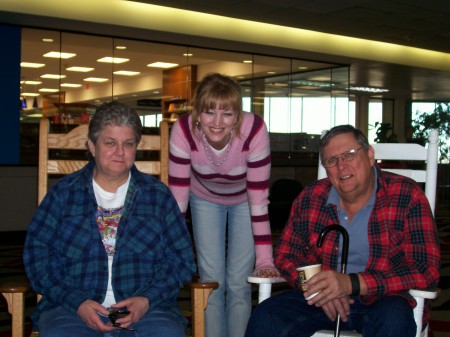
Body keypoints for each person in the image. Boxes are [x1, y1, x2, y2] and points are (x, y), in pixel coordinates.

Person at [245, 124, 440, 337]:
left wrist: (351, 283)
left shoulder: (406, 195)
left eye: (349, 155)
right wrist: (319, 289)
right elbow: (286, 254)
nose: (341, 166)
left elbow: (425, 269)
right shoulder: (311, 197)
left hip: (384, 299)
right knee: (267, 315)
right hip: (321, 300)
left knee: (394, 320)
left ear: (369, 155)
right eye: (331, 160)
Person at [23, 101, 196, 337]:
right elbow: (37, 256)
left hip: (148, 310)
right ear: (92, 147)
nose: (120, 152)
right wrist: (77, 302)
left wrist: (147, 300)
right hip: (71, 309)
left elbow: (181, 259)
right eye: (110, 143)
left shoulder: (157, 196)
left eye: (128, 144)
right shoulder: (64, 194)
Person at [168, 73, 279, 337]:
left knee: (240, 282)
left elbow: (259, 200)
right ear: (197, 112)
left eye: (227, 114)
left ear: (237, 116)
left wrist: (265, 259)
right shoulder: (183, 130)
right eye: (209, 112)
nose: (217, 123)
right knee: (211, 280)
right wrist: (172, 251)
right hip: (203, 197)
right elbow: (178, 200)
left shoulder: (254, 130)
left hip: (245, 201)